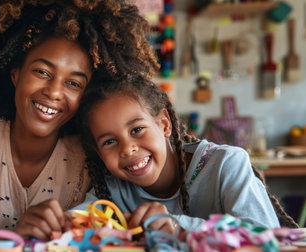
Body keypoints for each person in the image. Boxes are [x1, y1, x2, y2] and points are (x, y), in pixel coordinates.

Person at [0, 0, 160, 240]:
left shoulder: (92, 151)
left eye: (73, 83)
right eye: (42, 72)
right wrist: (6, 236)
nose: (54, 92)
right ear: (15, 74)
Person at [74, 74, 298, 234]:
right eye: (110, 141)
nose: (127, 148)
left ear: (164, 124)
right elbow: (78, 221)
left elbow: (264, 235)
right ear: (98, 152)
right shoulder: (112, 189)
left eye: (137, 130)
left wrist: (178, 226)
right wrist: (55, 221)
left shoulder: (226, 164)